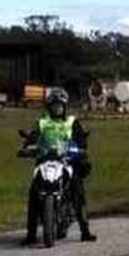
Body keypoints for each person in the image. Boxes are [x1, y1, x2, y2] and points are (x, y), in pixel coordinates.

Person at [23, 88, 97, 244]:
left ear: (65, 106)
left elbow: (81, 139)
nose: (57, 108)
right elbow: (33, 137)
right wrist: (28, 145)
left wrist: (81, 148)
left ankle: (85, 230)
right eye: (54, 105)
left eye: (60, 105)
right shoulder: (42, 122)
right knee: (33, 192)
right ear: (49, 107)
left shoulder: (72, 122)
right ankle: (31, 234)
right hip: (45, 161)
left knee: (77, 188)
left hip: (66, 161)